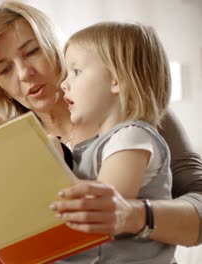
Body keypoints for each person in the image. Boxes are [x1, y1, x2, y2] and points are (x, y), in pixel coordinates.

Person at [0, 1, 202, 263]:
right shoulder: (11, 151)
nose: (24, 73)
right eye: (4, 70)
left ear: (56, 46)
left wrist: (134, 215)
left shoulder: (137, 113)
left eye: (32, 51)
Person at [52, 21, 174, 263]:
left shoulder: (131, 137)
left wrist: (53, 162)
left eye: (76, 71)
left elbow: (102, 216)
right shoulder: (98, 145)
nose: (64, 83)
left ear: (116, 81)